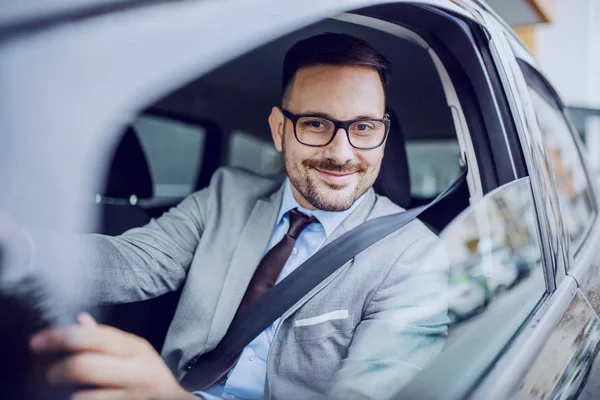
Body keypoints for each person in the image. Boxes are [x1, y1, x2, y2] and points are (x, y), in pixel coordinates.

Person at [9, 33, 448, 399]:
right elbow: (129, 262)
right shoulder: (227, 195)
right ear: (279, 130)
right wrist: (18, 248)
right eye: (316, 123)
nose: (340, 152)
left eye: (363, 128)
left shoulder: (414, 257)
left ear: (382, 135)